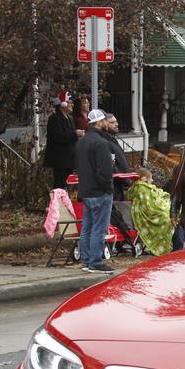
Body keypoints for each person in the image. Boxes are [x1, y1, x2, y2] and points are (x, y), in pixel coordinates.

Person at [75, 109, 116, 273]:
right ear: (99, 122)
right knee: (99, 228)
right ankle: (95, 261)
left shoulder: (82, 142)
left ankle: (86, 261)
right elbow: (104, 171)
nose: (107, 123)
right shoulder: (101, 143)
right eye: (105, 120)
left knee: (87, 227)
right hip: (100, 192)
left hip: (86, 190)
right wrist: (108, 188)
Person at [125, 167, 174, 256]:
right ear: (144, 179)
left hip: (144, 213)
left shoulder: (135, 188)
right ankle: (161, 246)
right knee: (166, 220)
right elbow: (149, 205)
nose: (152, 180)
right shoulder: (143, 188)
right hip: (149, 215)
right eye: (150, 178)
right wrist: (164, 205)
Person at [43, 91, 80, 189]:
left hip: (69, 159)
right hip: (60, 160)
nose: (72, 104)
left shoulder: (69, 118)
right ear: (62, 104)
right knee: (60, 185)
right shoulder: (54, 119)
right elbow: (58, 137)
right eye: (69, 102)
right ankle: (58, 203)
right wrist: (75, 133)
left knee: (68, 185)